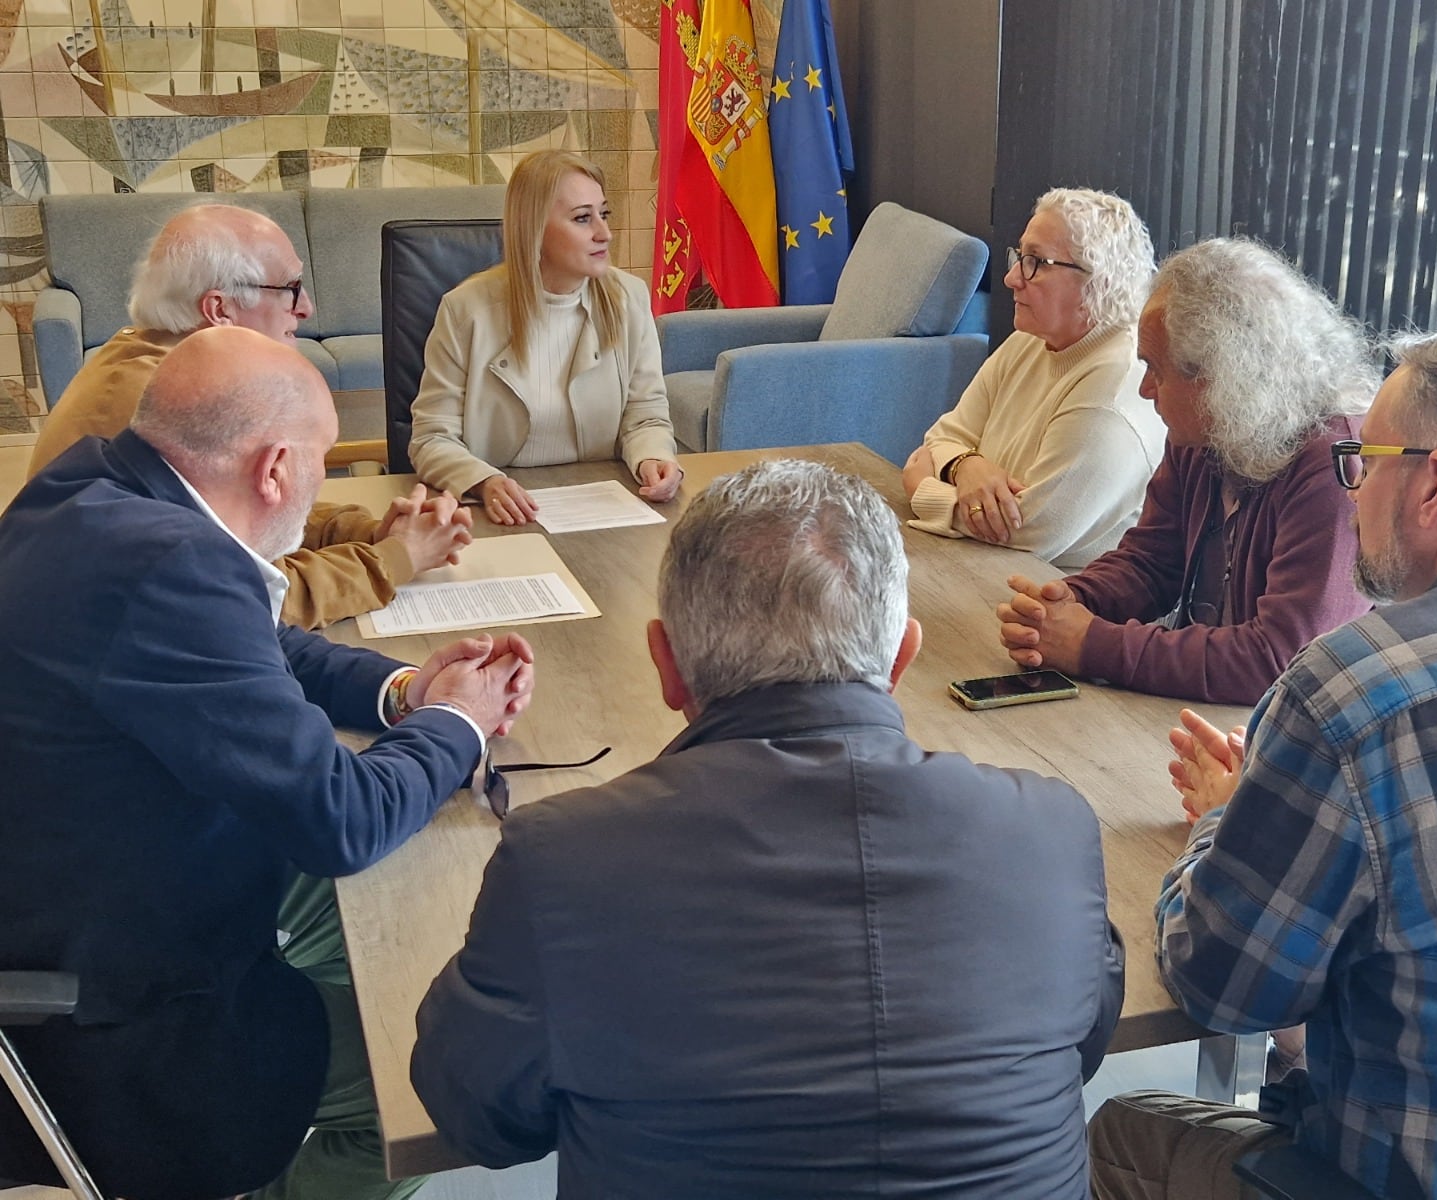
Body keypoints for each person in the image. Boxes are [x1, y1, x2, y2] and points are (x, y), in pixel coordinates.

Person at [410, 459, 1124, 1199]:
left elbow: (477, 1117)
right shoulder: (1054, 833)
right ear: (902, 658)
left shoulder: (560, 862)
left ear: (667, 666)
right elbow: (1079, 1049)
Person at [0, 327, 534, 1200]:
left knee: (399, 921)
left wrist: (403, 693)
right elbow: (342, 820)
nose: (328, 483)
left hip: (101, 871)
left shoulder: (93, 485)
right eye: (326, 462)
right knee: (438, 1084)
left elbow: (263, 647)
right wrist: (457, 725)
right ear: (276, 468)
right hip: (122, 1012)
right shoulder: (172, 564)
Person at [1090, 322, 1437, 1198]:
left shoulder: (1355, 689)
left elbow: (1221, 983)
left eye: (1363, 460)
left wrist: (1225, 817)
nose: (1352, 490)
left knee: (1123, 1129)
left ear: (1433, 483)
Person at [26, 203, 472, 629]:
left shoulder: (149, 356)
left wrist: (368, 532)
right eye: (290, 288)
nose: (306, 308)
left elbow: (256, 513)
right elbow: (260, 597)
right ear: (219, 309)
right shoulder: (176, 408)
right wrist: (396, 558)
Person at [997, 237, 1378, 705]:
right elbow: (1153, 561)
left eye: (1156, 369)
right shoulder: (1205, 432)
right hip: (1201, 716)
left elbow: (1282, 660)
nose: (1144, 389)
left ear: (1222, 377)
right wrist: (1071, 602)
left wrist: (1091, 644)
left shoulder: (1335, 466)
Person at [409, 149, 681, 524]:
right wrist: (482, 480)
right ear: (534, 230)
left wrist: (654, 458)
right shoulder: (465, 311)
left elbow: (645, 416)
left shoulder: (628, 299)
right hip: (501, 513)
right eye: (582, 218)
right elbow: (430, 438)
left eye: (604, 214)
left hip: (603, 508)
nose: (605, 233)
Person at [901, 187, 1165, 569]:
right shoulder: (1030, 339)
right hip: (984, 566)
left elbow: (1035, 532)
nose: (1011, 278)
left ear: (1098, 281)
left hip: (1063, 599)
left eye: (1037, 262)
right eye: (1020, 256)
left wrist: (927, 491)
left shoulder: (1113, 388)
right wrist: (966, 466)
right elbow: (942, 437)